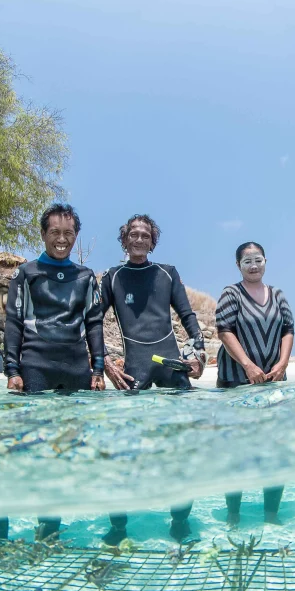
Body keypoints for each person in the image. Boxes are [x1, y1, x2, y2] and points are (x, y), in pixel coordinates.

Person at [0, 203, 106, 541]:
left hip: (75, 369)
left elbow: (94, 323)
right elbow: (12, 322)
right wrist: (12, 368)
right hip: (35, 366)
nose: (62, 239)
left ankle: (48, 529)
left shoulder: (85, 277)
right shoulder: (26, 273)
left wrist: (97, 368)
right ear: (43, 234)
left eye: (68, 234)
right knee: (23, 447)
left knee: (63, 452)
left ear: (76, 237)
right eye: (55, 232)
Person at [99, 214, 206, 543]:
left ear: (153, 241)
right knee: (123, 454)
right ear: (125, 239)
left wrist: (198, 353)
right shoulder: (113, 278)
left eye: (146, 235)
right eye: (134, 234)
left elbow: (188, 316)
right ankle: (118, 527)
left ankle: (179, 521)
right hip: (134, 375)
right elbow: (92, 322)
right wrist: (105, 362)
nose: (140, 239)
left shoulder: (167, 273)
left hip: (171, 371)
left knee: (179, 453)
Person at [215, 242, 295, 526]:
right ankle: (233, 514)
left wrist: (283, 363)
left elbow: (288, 329)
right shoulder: (231, 294)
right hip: (236, 384)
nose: (253, 265)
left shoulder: (278, 295)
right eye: (247, 261)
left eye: (257, 260)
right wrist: (247, 365)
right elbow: (224, 331)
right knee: (236, 453)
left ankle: (271, 514)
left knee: (274, 451)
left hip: (274, 386)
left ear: (265, 262)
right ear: (238, 265)